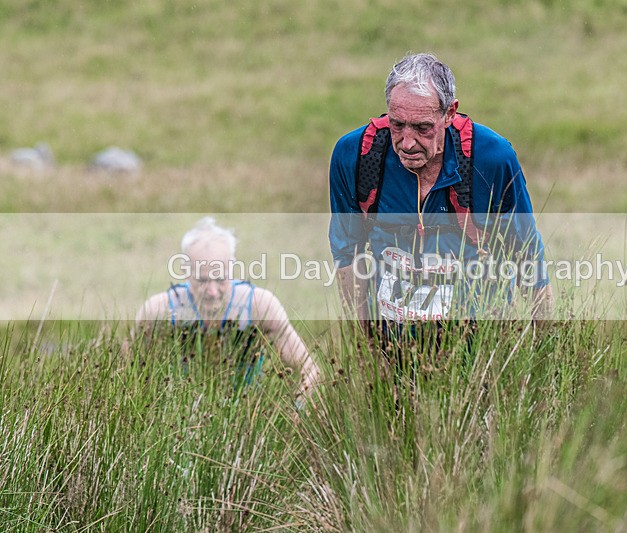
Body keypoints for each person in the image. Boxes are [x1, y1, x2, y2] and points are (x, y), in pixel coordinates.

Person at [328, 53, 552, 337]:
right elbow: (346, 251)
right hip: (389, 343)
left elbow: (527, 256)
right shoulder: (356, 157)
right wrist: (364, 345)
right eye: (397, 124)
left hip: (477, 345)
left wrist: (547, 348)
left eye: (423, 127)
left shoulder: (491, 159)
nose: (407, 143)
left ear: (449, 113)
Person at [132, 217, 320, 401]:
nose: (212, 291)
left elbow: (310, 371)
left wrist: (298, 411)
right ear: (185, 270)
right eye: (202, 280)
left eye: (221, 279)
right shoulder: (158, 311)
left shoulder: (258, 306)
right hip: (176, 419)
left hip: (246, 417)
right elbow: (130, 370)